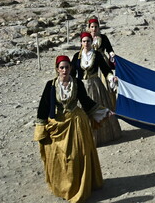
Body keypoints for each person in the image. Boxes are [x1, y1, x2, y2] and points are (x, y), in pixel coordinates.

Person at [34, 55, 110, 202]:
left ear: (70, 68)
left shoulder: (77, 83)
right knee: (59, 156)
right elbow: (43, 106)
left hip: (76, 122)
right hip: (58, 125)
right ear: (57, 69)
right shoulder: (51, 85)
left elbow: (86, 101)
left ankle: (80, 185)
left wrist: (103, 111)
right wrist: (41, 127)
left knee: (77, 155)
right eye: (61, 68)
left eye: (67, 67)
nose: (64, 70)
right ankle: (63, 186)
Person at [71, 32, 122, 145]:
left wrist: (111, 78)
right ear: (81, 43)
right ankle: (83, 138)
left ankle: (100, 137)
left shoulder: (97, 55)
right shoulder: (76, 56)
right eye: (84, 41)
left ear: (91, 42)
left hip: (95, 86)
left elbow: (105, 70)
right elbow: (72, 73)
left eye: (88, 41)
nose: (86, 43)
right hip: (81, 87)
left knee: (97, 110)